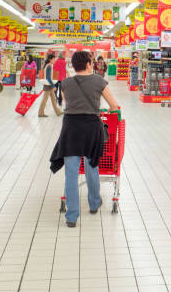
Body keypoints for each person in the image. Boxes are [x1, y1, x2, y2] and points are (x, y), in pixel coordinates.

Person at [50, 50, 119, 228]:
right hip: (91, 129)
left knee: (71, 173)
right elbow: (114, 105)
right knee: (92, 166)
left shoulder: (64, 83)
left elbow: (67, 104)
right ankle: (94, 203)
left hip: (70, 129)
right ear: (89, 64)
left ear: (72, 66)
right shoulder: (99, 81)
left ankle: (71, 216)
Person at [38, 52, 63, 117]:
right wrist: (53, 86)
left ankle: (58, 112)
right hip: (48, 85)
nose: (55, 60)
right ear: (50, 59)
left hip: (48, 85)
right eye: (54, 59)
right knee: (45, 99)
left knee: (54, 98)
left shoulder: (48, 66)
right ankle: (40, 113)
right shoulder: (49, 66)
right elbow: (48, 78)